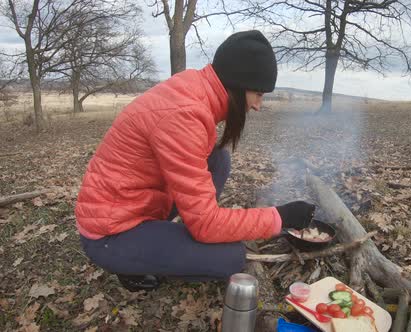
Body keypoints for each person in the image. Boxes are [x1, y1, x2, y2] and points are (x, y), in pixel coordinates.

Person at [75, 30, 315, 291]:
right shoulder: (184, 116)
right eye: (258, 93)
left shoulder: (194, 89)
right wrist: (279, 217)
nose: (258, 105)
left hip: (137, 203)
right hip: (111, 231)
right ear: (237, 84)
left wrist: (206, 219)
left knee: (218, 158)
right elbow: (205, 225)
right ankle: (131, 264)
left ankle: (158, 244)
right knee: (230, 257)